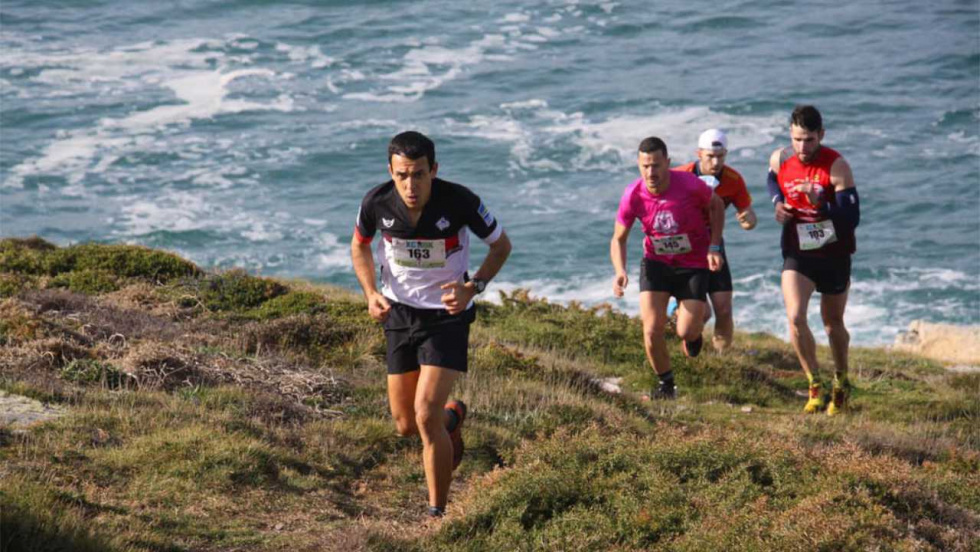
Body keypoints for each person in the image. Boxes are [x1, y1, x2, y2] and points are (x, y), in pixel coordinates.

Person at [350, 131, 512, 517]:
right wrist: (370, 293)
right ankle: (452, 418)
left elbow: (501, 245)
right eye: (402, 175)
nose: (411, 185)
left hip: (446, 316)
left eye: (419, 174)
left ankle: (437, 513)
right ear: (390, 172)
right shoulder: (376, 202)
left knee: (425, 414)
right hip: (399, 314)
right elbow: (359, 245)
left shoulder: (460, 201)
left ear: (434, 170)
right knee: (406, 424)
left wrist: (473, 288)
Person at [611, 136, 726, 399]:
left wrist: (714, 246)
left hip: (692, 264)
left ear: (668, 163)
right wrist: (620, 270)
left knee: (686, 331)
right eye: (645, 166)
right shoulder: (633, 194)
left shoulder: (689, 185)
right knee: (651, 330)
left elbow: (717, 205)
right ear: (638, 165)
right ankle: (666, 385)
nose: (651, 172)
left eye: (656, 165)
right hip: (657, 264)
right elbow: (618, 238)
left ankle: (693, 329)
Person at [767, 106, 860, 416]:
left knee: (832, 324)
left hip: (834, 254)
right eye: (797, 139)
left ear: (821, 135)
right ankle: (814, 384)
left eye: (809, 140)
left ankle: (841, 381)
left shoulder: (836, 166)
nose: (802, 147)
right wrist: (777, 203)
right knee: (795, 316)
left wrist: (822, 203)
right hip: (798, 252)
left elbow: (851, 218)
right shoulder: (781, 158)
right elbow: (772, 179)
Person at [676, 129, 757, 352]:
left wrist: (748, 220)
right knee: (701, 313)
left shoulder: (733, 180)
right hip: (684, 247)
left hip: (713, 244)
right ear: (699, 154)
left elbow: (748, 217)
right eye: (710, 156)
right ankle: (686, 346)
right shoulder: (680, 176)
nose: (715, 162)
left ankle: (722, 358)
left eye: (720, 156)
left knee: (724, 309)